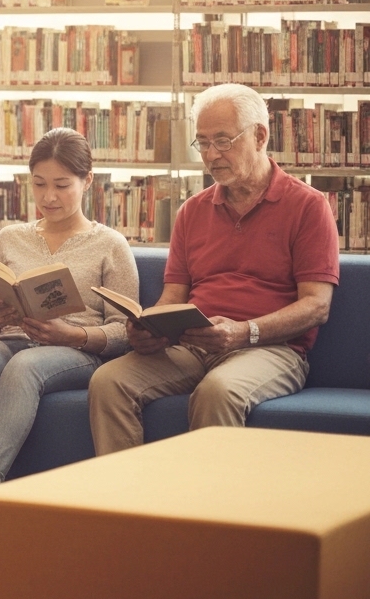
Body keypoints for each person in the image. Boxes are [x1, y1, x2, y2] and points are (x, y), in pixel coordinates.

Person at [0, 128, 139, 551]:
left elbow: (126, 330)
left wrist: (73, 333)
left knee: (23, 367)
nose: (48, 197)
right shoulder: (9, 237)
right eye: (38, 184)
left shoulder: (111, 245)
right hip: (12, 337)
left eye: (61, 185)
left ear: (88, 181)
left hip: (71, 350)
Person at [87, 83, 338, 455]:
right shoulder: (193, 210)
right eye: (202, 143)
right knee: (108, 381)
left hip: (270, 348)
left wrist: (244, 332)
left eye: (222, 141)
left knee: (217, 391)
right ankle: (125, 505)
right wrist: (151, 328)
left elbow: (317, 305)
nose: (211, 155)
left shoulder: (308, 206)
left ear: (260, 135)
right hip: (193, 344)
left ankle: (210, 510)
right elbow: (174, 295)